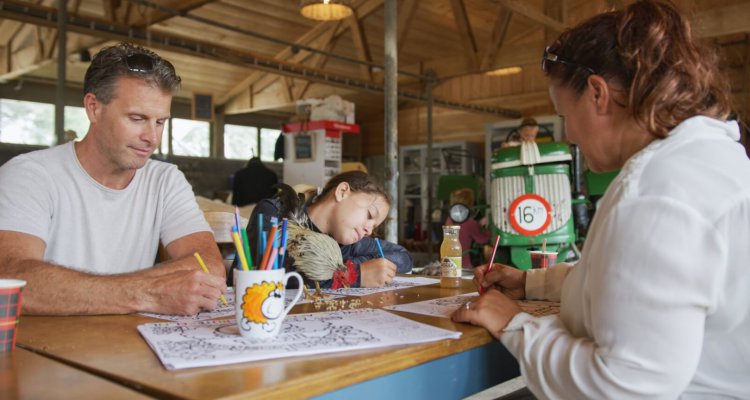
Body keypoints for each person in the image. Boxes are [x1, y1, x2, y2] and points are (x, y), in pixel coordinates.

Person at [452, 1, 750, 398]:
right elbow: (628, 285)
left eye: (564, 116)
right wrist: (531, 281)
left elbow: (625, 386)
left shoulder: (658, 193)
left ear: (597, 95)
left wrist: (516, 324)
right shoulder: (709, 159)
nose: (570, 136)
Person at [0, 43, 226, 316]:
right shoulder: (29, 175)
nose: (152, 138)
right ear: (94, 108)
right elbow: (12, 281)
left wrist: (81, 290)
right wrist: (150, 293)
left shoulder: (165, 180)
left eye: (160, 122)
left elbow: (209, 267)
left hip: (128, 346)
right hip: (47, 351)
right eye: (137, 118)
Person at [246, 171, 412, 288]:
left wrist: (361, 266)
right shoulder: (273, 213)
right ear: (342, 191)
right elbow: (272, 276)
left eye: (374, 226)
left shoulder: (346, 242)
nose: (369, 230)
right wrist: (352, 274)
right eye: (369, 214)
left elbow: (403, 257)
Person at [444, 188, 489, 269]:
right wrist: (487, 228)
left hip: (451, 263)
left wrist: (477, 224)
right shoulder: (469, 222)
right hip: (465, 265)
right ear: (469, 202)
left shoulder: (449, 219)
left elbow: (463, 231)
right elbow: (483, 239)